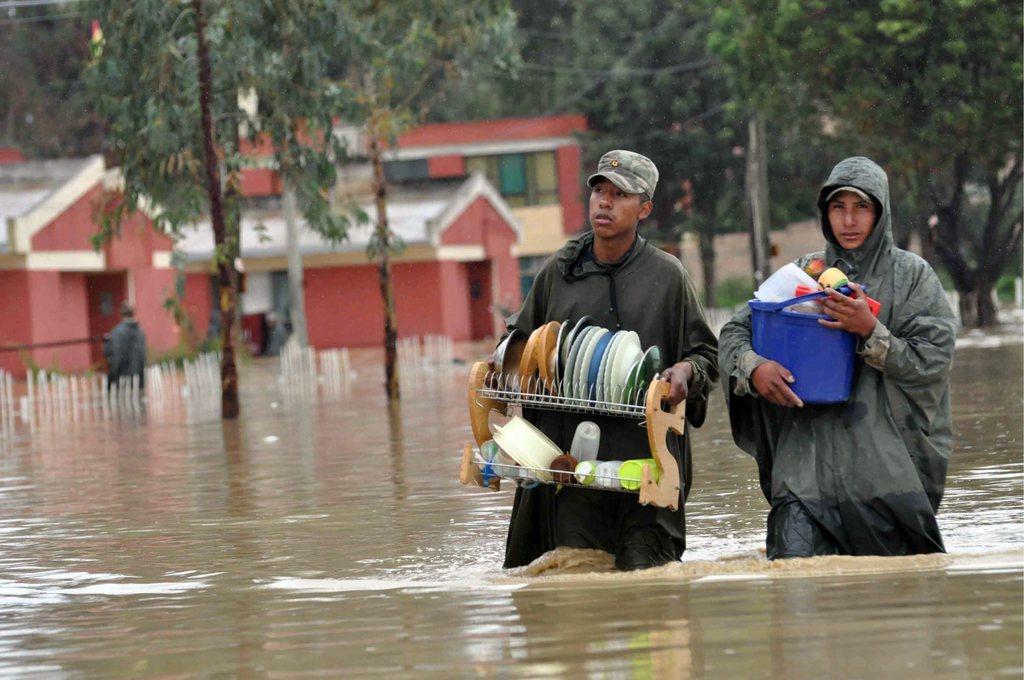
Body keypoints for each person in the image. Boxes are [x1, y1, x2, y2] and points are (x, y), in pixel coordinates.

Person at [718, 156, 957, 559]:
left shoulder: (912, 277)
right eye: (838, 207)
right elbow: (735, 331)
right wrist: (754, 368)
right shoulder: (803, 273)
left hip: (883, 481)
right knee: (795, 592)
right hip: (803, 479)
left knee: (896, 602)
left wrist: (871, 331)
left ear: (880, 212)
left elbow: (933, 361)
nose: (849, 220)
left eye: (861, 207)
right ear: (825, 213)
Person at [496, 150, 719, 571]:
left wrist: (685, 371)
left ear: (645, 209)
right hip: (571, 473)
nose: (604, 202)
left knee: (646, 579)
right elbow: (517, 350)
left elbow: (707, 355)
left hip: (646, 465)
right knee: (575, 575)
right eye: (600, 191)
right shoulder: (559, 272)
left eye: (620, 195)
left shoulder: (668, 277)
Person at [103, 302, 147, 390]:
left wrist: (112, 377)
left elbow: (114, 356)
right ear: (133, 313)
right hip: (138, 380)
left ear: (121, 314)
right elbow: (143, 357)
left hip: (122, 380)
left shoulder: (116, 333)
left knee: (123, 402)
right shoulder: (141, 332)